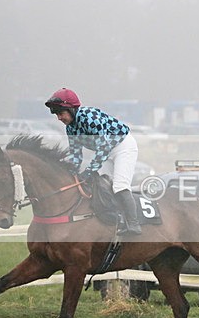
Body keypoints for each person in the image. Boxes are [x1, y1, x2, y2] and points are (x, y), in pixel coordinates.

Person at [45, 88, 142, 236]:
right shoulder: (71, 128)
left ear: (71, 109)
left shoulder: (89, 118)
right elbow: (76, 155)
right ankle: (116, 219)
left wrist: (88, 171)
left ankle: (134, 224)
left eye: (60, 113)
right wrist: (73, 173)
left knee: (120, 186)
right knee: (102, 185)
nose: (59, 117)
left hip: (123, 146)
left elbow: (103, 147)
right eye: (56, 114)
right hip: (107, 151)